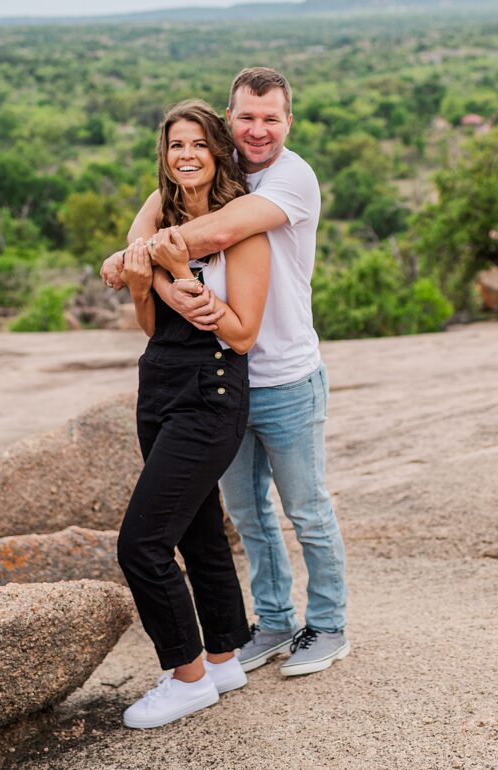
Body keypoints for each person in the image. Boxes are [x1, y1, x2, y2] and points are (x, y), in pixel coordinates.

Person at [102, 67, 349, 678]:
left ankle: (329, 624)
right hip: (228, 383)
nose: (258, 129)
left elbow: (218, 230)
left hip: (287, 374)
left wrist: (139, 260)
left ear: (288, 121)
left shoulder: (290, 178)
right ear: (229, 120)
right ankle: (272, 621)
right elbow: (147, 230)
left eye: (271, 118)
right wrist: (150, 267)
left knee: (307, 510)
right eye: (246, 118)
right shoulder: (210, 173)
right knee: (249, 516)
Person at [116, 99, 270, 729]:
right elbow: (151, 325)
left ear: (218, 152)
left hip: (212, 392)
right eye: (176, 145)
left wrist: (177, 268)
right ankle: (224, 656)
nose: (186, 156)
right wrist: (138, 281)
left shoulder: (242, 230)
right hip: (159, 385)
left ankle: (185, 677)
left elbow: (240, 335)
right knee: (196, 529)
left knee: (141, 545)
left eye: (199, 145)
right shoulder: (160, 216)